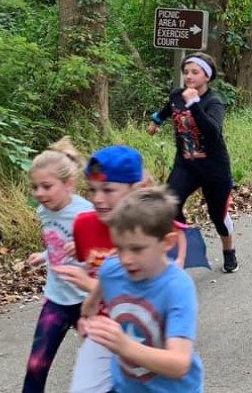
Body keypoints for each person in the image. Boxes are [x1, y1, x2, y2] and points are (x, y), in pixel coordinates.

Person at [61, 145, 187, 393]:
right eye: (92, 190)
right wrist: (87, 319)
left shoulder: (153, 230)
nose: (97, 199)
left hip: (152, 331)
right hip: (108, 328)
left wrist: (179, 261)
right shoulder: (83, 225)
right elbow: (102, 281)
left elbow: (176, 236)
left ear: (136, 189)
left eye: (108, 190)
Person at [79, 187, 204, 392]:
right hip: (126, 386)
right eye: (119, 248)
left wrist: (124, 346)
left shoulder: (177, 287)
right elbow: (91, 305)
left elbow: (180, 364)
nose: (125, 259)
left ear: (167, 242)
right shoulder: (111, 269)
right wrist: (88, 322)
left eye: (137, 249)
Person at [149, 51, 239, 273]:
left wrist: (195, 104)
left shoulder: (214, 102)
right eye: (186, 72)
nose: (189, 76)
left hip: (213, 167)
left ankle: (229, 250)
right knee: (169, 204)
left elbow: (213, 132)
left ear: (207, 76)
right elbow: (167, 110)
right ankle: (184, 244)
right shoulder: (177, 95)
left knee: (217, 216)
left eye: (195, 72)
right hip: (186, 163)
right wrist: (156, 122)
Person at [22, 138, 94, 392]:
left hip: (90, 300)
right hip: (56, 299)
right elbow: (56, 242)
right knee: (36, 364)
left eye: (46, 186)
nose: (39, 193)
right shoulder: (44, 211)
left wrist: (86, 245)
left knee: (106, 363)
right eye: (35, 187)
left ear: (69, 184)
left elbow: (109, 249)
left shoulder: (86, 213)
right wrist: (43, 255)